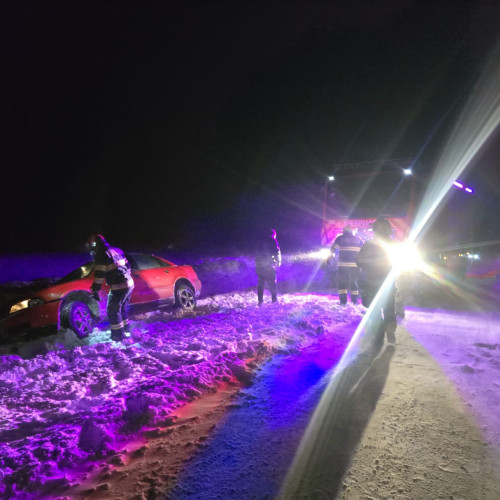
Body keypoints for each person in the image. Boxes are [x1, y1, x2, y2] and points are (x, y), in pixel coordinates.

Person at [356, 217, 397, 343]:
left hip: (371, 282)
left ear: (375, 229)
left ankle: (379, 334)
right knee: (389, 307)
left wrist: (367, 264)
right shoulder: (393, 244)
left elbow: (359, 261)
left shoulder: (369, 244)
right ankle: (390, 330)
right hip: (388, 283)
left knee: (374, 308)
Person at [89, 234, 134, 342]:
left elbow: (99, 275)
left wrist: (95, 290)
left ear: (95, 244)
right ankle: (126, 331)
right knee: (121, 308)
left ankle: (117, 336)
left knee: (112, 310)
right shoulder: (116, 249)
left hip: (119, 286)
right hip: (129, 283)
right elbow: (128, 265)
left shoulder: (101, 254)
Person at [329, 225, 364, 305]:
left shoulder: (340, 238)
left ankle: (343, 302)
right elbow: (363, 252)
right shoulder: (358, 239)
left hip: (343, 266)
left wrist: (330, 256)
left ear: (344, 231)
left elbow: (332, 249)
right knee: (353, 283)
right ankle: (354, 302)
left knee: (342, 284)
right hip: (355, 266)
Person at [254, 228, 281, 305]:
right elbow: (276, 252)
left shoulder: (259, 241)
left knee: (261, 283)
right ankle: (274, 300)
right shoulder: (273, 241)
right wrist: (278, 262)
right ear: (273, 234)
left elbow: (256, 253)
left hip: (259, 264)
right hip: (269, 264)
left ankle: (260, 301)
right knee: (272, 283)